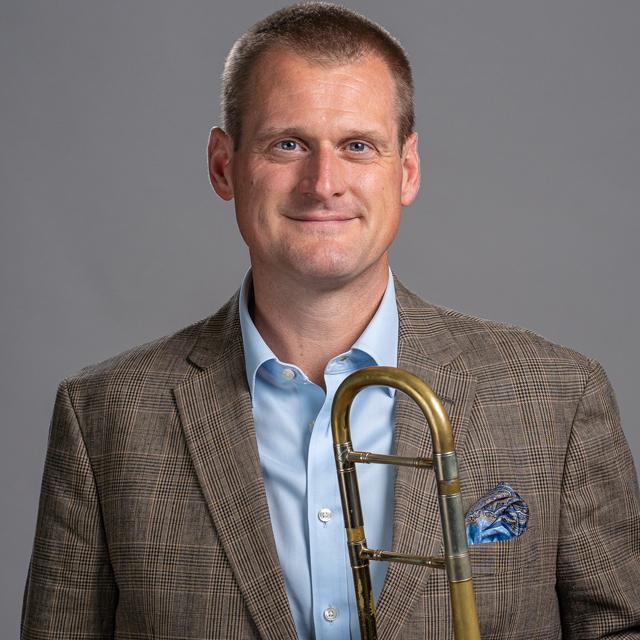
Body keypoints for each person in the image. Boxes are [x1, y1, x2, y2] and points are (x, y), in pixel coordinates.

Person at [21, 4, 640, 639]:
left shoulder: (558, 398)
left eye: (357, 146)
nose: (323, 183)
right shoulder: (103, 417)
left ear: (406, 170)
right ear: (221, 165)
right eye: (287, 144)